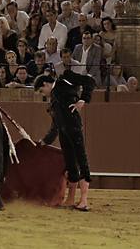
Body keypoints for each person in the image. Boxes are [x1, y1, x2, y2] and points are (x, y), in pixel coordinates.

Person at [37, 70, 95, 211]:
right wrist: (45, 141)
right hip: (64, 132)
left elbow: (89, 81)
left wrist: (83, 99)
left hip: (74, 129)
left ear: (45, 83)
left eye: (41, 90)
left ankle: (84, 200)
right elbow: (55, 125)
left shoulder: (66, 78)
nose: (43, 94)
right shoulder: (53, 100)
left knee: (81, 162)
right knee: (71, 164)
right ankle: (70, 199)